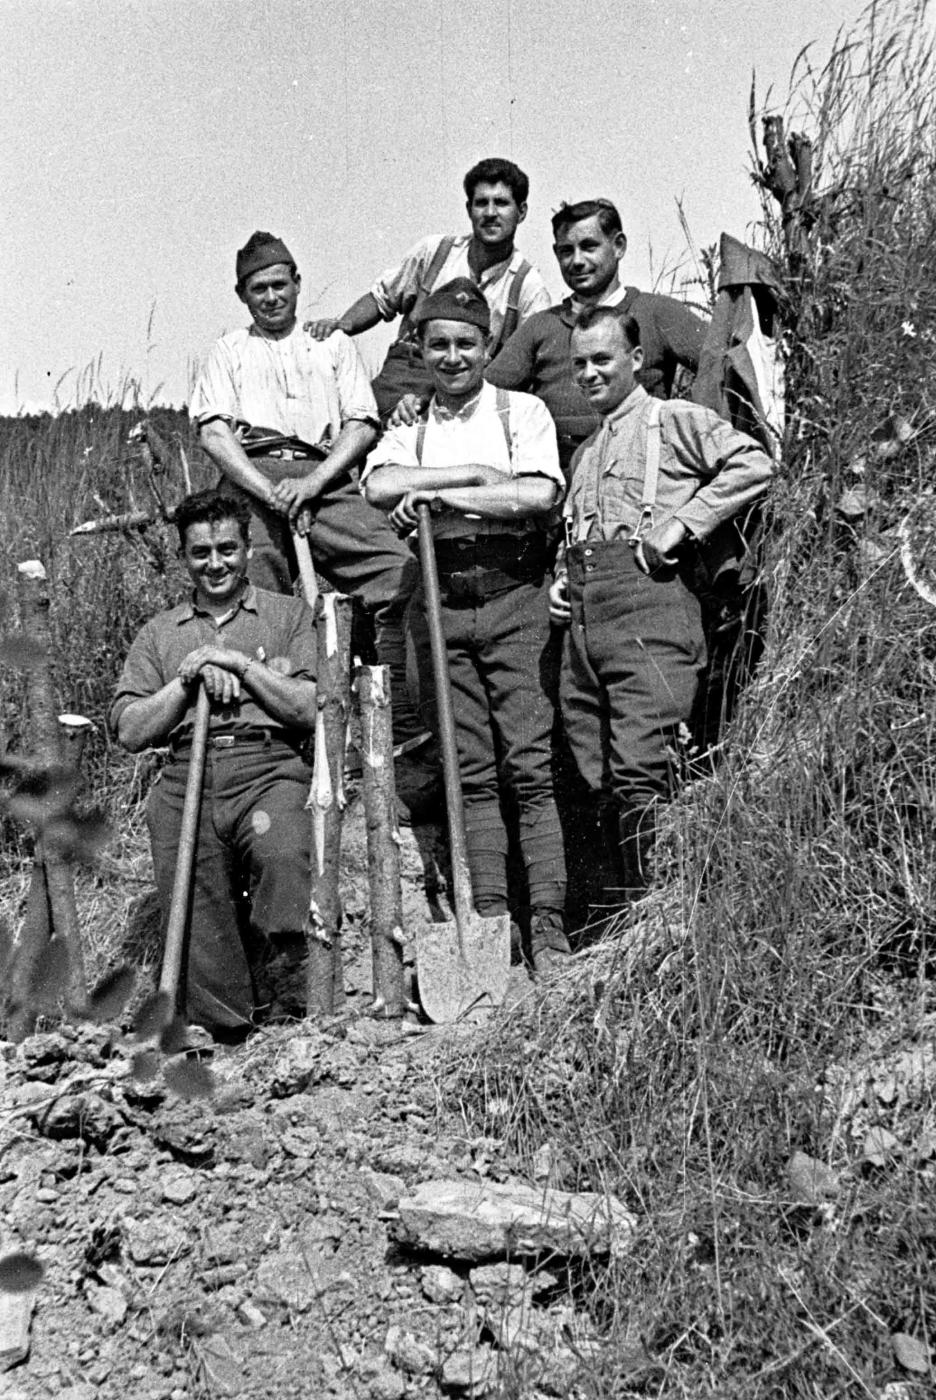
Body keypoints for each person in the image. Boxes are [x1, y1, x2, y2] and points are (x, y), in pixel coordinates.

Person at [363, 278, 569, 970]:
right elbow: (379, 486)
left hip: (515, 596)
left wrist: (441, 491)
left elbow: (537, 492)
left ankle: (549, 927)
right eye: (438, 345)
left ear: (487, 347)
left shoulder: (521, 411)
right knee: (470, 770)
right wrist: (479, 479)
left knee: (530, 765)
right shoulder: (410, 424)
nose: (452, 358)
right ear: (420, 349)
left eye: (466, 344)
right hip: (440, 597)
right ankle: (491, 923)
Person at [189, 230, 434, 812]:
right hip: (252, 482)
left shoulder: (331, 344)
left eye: (280, 285)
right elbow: (214, 434)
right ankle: (269, 744)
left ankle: (396, 723)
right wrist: (266, 491)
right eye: (258, 290)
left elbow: (362, 424)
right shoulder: (230, 350)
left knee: (399, 573)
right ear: (242, 295)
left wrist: (312, 483)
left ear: (298, 284)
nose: (271, 297)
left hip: (325, 478)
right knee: (255, 605)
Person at [549, 308, 773, 903]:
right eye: (579, 364)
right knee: (595, 772)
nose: (590, 374)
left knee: (643, 769)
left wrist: (681, 524)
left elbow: (754, 462)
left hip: (650, 615)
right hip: (585, 634)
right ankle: (625, 915)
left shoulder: (671, 420)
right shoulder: (585, 453)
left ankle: (661, 915)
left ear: (636, 359)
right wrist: (560, 581)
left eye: (602, 360)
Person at [110, 489, 318, 1038]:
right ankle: (225, 1027)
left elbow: (308, 707)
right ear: (184, 557)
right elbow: (130, 728)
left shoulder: (288, 615)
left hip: (268, 768)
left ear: (248, 549)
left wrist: (237, 665)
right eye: (200, 553)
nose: (215, 564)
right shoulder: (160, 633)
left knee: (282, 850)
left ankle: (292, 998)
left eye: (227, 549)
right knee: (195, 891)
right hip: (188, 774)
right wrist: (188, 679)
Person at [307, 158, 551, 417]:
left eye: (501, 203)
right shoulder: (435, 252)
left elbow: (526, 362)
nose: (490, 213)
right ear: (469, 209)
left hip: (469, 386)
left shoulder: (528, 286)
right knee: (360, 424)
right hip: (406, 373)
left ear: (521, 212)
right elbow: (381, 299)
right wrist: (344, 324)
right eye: (481, 203)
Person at [486, 198, 707, 479]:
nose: (577, 261)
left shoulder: (657, 312)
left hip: (638, 472)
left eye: (589, 247)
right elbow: (484, 393)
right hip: (559, 478)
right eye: (566, 251)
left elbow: (723, 364)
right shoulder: (541, 326)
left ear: (618, 246)